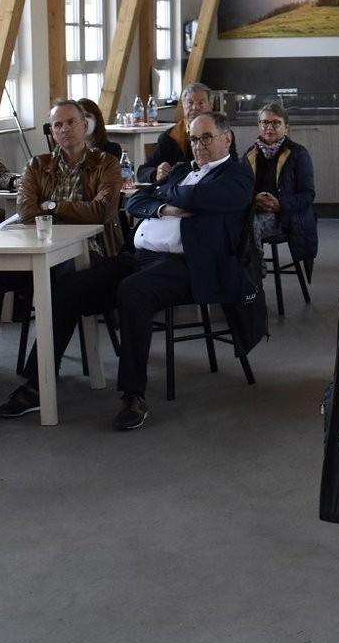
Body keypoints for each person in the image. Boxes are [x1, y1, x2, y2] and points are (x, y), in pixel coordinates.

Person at [0, 100, 123, 411]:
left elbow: (101, 212)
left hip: (91, 253)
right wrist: (62, 210)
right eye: (57, 125)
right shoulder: (37, 166)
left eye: (70, 123)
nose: (65, 130)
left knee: (66, 286)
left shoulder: (106, 164)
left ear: (85, 126)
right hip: (41, 251)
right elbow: (27, 213)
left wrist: (51, 206)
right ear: (51, 132)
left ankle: (36, 383)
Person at [108, 112, 257, 430]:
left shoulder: (237, 175)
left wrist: (162, 193)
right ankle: (37, 385)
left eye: (206, 137)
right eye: (193, 139)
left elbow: (198, 196)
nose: (198, 145)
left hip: (189, 266)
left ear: (226, 138)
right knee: (72, 284)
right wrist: (164, 205)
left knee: (133, 291)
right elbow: (134, 202)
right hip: (140, 257)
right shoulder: (180, 171)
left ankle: (133, 395)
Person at [245, 103, 318, 274]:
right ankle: (240, 273)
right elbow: (241, 188)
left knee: (249, 225)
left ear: (286, 127)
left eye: (275, 123)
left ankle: (254, 271)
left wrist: (280, 204)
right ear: (259, 126)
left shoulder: (298, 153)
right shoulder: (250, 154)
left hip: (285, 216)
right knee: (233, 223)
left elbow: (308, 194)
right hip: (255, 210)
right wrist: (254, 198)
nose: (269, 127)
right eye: (264, 123)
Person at [147, 82, 215, 171]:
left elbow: (231, 163)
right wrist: (157, 173)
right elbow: (145, 169)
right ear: (183, 105)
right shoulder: (169, 136)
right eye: (190, 103)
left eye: (201, 103)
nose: (195, 108)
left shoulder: (222, 133)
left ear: (211, 107)